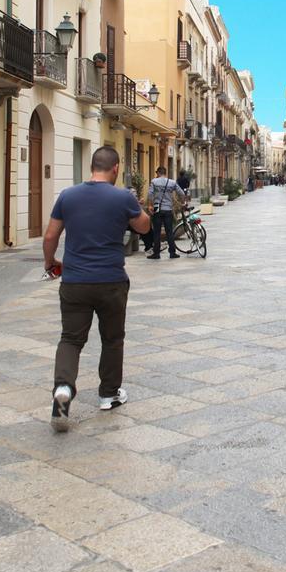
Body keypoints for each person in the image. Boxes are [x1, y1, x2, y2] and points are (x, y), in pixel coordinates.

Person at [43, 146, 151, 432]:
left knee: (70, 338)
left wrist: (50, 263)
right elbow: (143, 227)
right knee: (112, 339)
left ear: (92, 167)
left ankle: (63, 389)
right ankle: (108, 394)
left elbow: (51, 234)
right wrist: (137, 207)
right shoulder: (121, 197)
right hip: (111, 281)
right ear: (115, 168)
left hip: (75, 281)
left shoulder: (67, 195)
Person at [146, 166, 186, 260]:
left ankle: (156, 253)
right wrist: (183, 202)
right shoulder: (172, 182)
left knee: (157, 232)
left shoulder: (154, 181)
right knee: (169, 232)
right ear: (165, 173)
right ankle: (172, 253)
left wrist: (150, 205)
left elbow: (150, 194)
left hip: (157, 208)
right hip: (168, 209)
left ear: (158, 173)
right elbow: (181, 193)